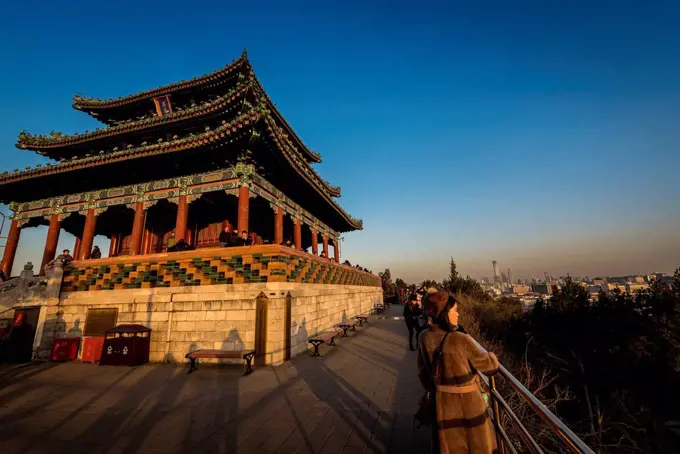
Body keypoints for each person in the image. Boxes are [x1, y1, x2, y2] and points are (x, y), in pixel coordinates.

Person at [418, 291, 499, 453]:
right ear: (444, 314)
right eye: (454, 310)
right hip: (469, 407)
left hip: (442, 406)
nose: (458, 314)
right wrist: (491, 355)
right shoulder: (460, 339)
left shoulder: (424, 337)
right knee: (477, 445)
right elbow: (490, 367)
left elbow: (423, 374)